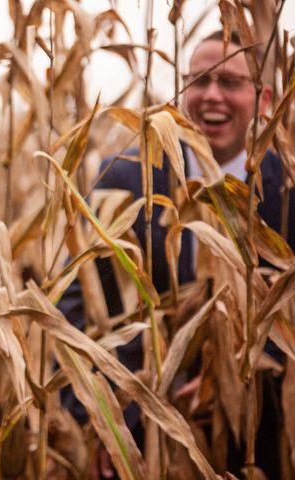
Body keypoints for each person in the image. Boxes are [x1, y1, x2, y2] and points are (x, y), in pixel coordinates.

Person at [58, 30, 294, 479]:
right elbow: (72, 312)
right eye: (199, 80)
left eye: (229, 81)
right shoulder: (125, 179)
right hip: (142, 441)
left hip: (268, 441)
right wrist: (111, 423)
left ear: (264, 98)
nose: (211, 96)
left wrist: (237, 387)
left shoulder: (288, 189)